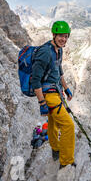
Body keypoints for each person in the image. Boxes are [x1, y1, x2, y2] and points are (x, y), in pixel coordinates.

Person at [31, 21, 76, 168]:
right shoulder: (45, 52)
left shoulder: (59, 49)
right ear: (54, 35)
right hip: (48, 95)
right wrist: (42, 103)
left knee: (53, 123)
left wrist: (66, 87)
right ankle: (66, 161)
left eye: (65, 36)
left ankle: (55, 149)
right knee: (68, 125)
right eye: (61, 36)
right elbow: (35, 79)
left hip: (56, 91)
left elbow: (58, 70)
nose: (63, 39)